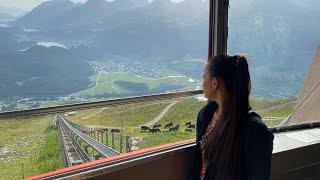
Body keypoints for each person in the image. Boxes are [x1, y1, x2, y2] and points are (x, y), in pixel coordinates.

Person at [188, 55, 274, 180]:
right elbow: (199, 164)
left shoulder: (255, 131)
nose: (202, 84)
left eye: (203, 78)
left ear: (214, 83)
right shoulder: (205, 115)